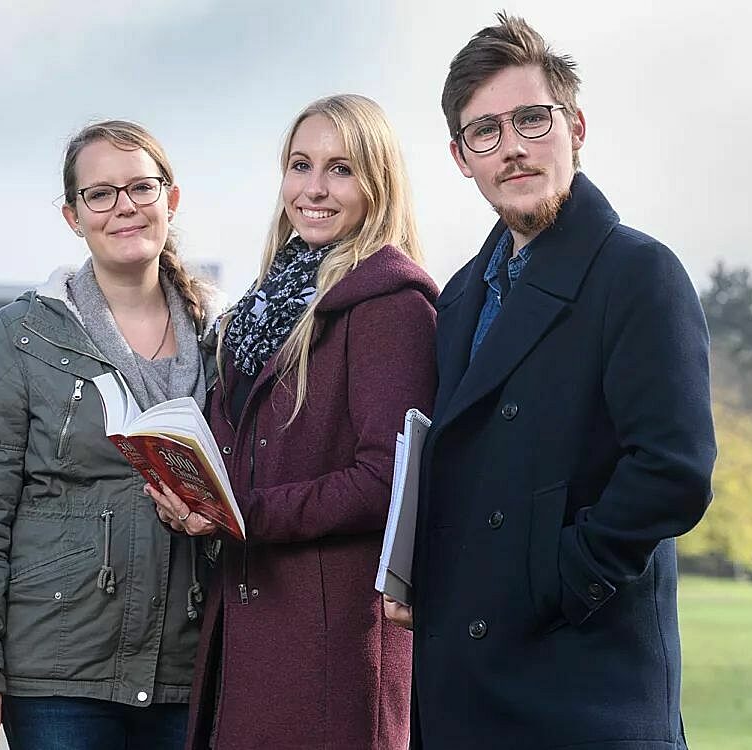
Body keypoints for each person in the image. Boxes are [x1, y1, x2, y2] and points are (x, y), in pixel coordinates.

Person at [386, 14, 717, 750]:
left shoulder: (639, 272)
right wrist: (423, 578)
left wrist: (558, 581)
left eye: (532, 119)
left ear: (576, 128)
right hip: (465, 692)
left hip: (584, 693)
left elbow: (673, 471)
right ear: (461, 157)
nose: (513, 147)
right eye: (486, 131)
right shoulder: (459, 297)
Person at [149, 94, 438, 750]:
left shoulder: (393, 307)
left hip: (330, 647)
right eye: (300, 165)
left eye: (341, 169)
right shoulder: (260, 308)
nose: (313, 188)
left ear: (379, 183)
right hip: (245, 627)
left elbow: (386, 481)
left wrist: (241, 513)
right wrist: (188, 495)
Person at [0, 120, 222, 750]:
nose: (124, 207)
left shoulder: (224, 336)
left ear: (171, 199)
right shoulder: (22, 336)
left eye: (141, 187)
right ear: (73, 216)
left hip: (190, 666)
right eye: (100, 194)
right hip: (57, 674)